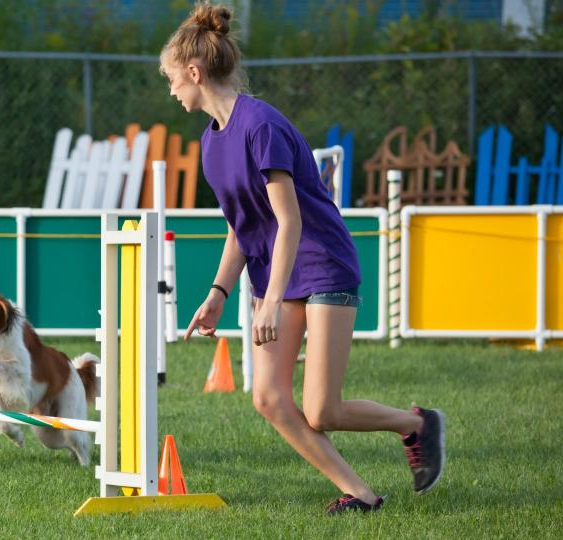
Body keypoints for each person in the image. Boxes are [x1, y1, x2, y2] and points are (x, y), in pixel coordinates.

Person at [163, 2, 445, 515]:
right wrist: (218, 294)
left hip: (320, 264)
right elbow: (241, 225)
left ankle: (417, 424)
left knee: (322, 409)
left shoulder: (260, 125)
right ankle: (361, 494)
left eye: (172, 79)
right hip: (274, 275)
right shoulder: (210, 143)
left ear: (195, 73)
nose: (172, 90)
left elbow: (289, 221)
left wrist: (268, 303)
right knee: (269, 399)